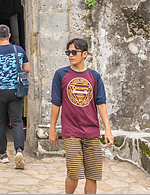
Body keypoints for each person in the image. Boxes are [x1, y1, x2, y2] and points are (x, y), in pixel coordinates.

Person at [48, 37, 114, 195]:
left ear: (84, 54)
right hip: (71, 132)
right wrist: (52, 129)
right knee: (74, 173)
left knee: (93, 176)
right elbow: (56, 103)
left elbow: (101, 103)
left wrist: (108, 130)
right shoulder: (61, 75)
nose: (70, 55)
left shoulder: (94, 76)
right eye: (68, 52)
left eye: (74, 52)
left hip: (92, 132)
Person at [0, 24, 30, 169]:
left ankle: (2, 154)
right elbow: (27, 69)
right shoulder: (19, 50)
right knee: (16, 121)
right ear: (9, 35)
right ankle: (19, 150)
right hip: (16, 90)